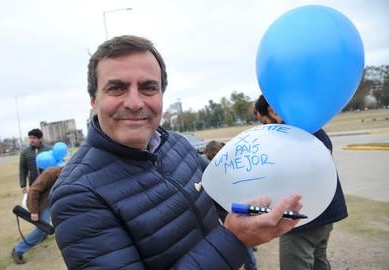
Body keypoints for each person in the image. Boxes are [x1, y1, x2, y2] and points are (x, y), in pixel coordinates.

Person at [50, 35, 303, 269]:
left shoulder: (175, 144)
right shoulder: (77, 194)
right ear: (93, 99)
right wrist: (233, 240)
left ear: (161, 94)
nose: (135, 103)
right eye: (116, 88)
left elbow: (227, 188)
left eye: (149, 87)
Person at [254, 94, 348, 270]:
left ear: (272, 111)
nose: (266, 128)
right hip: (326, 212)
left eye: (264, 122)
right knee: (319, 261)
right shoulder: (311, 125)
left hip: (304, 219)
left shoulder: (292, 134)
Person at [204, 140, 258, 270]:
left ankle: (251, 265)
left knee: (240, 237)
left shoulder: (216, 170)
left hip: (227, 209)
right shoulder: (233, 164)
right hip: (239, 206)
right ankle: (252, 256)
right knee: (246, 233)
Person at [11, 165, 64, 264]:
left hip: (52, 200)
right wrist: (34, 211)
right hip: (40, 203)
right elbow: (34, 190)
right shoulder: (50, 173)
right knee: (42, 229)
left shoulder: (67, 174)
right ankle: (18, 250)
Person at [19, 128, 51, 194]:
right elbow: (22, 170)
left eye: (34, 138)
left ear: (40, 139)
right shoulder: (25, 153)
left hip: (48, 184)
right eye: (30, 138)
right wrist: (23, 185)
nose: (31, 140)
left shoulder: (49, 150)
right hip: (33, 185)